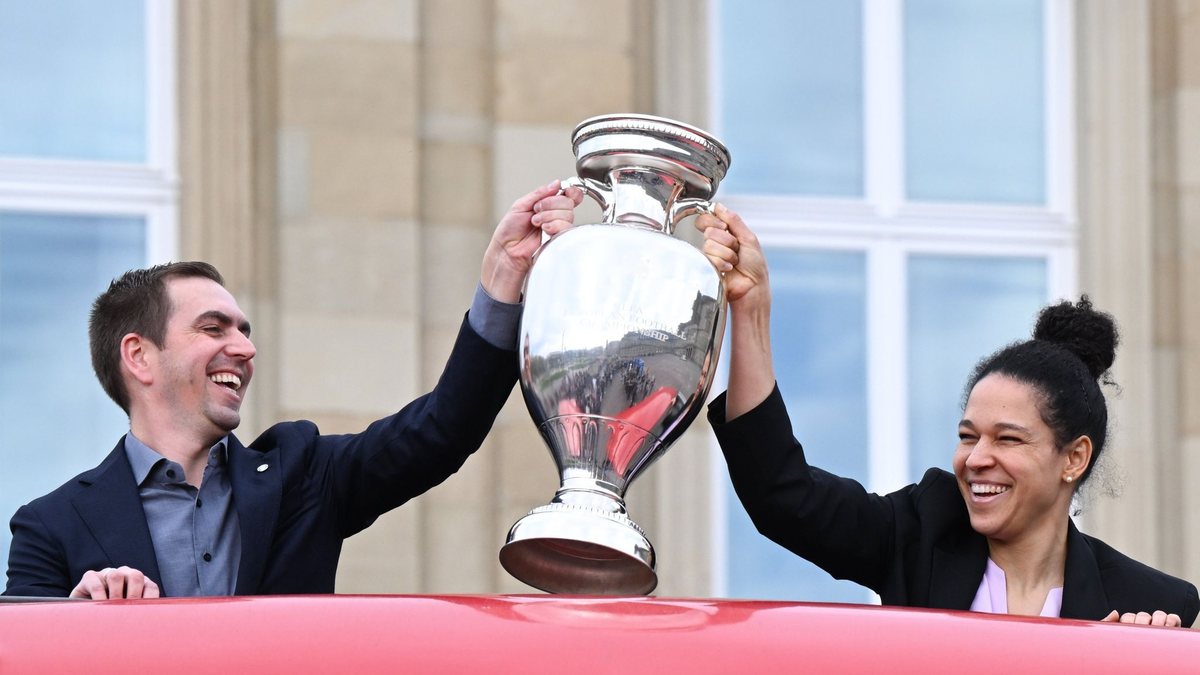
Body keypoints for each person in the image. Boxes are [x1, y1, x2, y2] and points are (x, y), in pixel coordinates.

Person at [4, 181, 583, 599]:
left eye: (244, 331)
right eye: (213, 328)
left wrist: (504, 276)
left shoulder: (303, 475)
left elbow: (443, 429)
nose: (245, 348)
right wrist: (77, 620)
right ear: (139, 356)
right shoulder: (50, 527)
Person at [696, 204, 1199, 627]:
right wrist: (751, 308)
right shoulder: (920, 530)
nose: (976, 459)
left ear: (1074, 458)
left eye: (1007, 439)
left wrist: (1139, 659)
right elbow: (781, 493)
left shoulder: (1146, 603)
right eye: (968, 436)